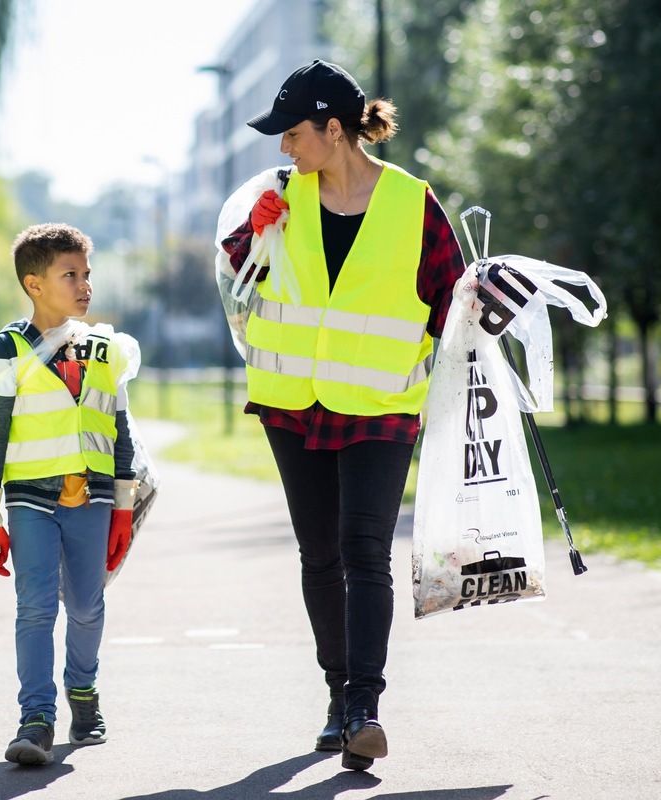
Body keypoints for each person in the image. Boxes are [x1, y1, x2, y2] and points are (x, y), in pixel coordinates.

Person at [218, 59, 466, 771]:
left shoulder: (413, 205)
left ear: (335, 129)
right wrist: (253, 235)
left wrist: (489, 312)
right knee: (319, 553)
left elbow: (453, 303)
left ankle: (364, 705)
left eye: (292, 133)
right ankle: (337, 697)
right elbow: (238, 284)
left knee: (364, 550)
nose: (283, 148)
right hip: (292, 400)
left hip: (381, 404)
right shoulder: (278, 196)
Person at [0, 222, 139, 767]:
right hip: (29, 502)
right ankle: (36, 717)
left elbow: (120, 431)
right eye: (71, 275)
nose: (85, 285)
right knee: (35, 608)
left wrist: (124, 510)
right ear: (34, 283)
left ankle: (83, 693)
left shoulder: (108, 348)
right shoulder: (10, 348)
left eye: (87, 274)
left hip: (93, 501)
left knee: (88, 607)